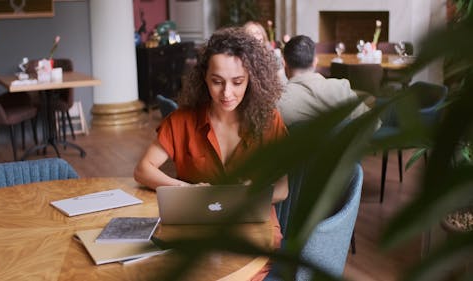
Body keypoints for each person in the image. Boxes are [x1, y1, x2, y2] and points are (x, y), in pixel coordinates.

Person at [134, 27, 288, 280]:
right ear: (203, 78)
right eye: (217, 82)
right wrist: (186, 189)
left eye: (237, 82)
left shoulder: (270, 121)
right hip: (197, 229)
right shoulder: (183, 120)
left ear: (252, 78)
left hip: (253, 232)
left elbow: (282, 188)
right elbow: (143, 170)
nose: (227, 93)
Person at [277, 35, 372, 126]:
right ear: (315, 62)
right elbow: (373, 124)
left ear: (284, 63)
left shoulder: (277, 102)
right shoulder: (340, 89)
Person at [243, 21, 287, 85]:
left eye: (258, 33)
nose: (255, 36)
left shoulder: (272, 54)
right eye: (251, 33)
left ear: (263, 36)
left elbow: (280, 78)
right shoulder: (241, 57)